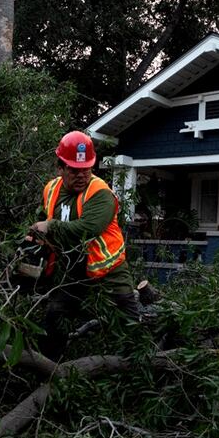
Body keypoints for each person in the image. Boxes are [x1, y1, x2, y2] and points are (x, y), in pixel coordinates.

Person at [26, 130, 142, 360]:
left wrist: (49, 226)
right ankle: (50, 368)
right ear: (60, 168)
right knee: (54, 316)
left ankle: (134, 365)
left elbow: (86, 230)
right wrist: (34, 237)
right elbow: (42, 217)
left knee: (128, 322)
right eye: (74, 170)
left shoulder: (100, 193)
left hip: (108, 269)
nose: (81, 175)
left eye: (86, 169)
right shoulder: (51, 189)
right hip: (72, 269)